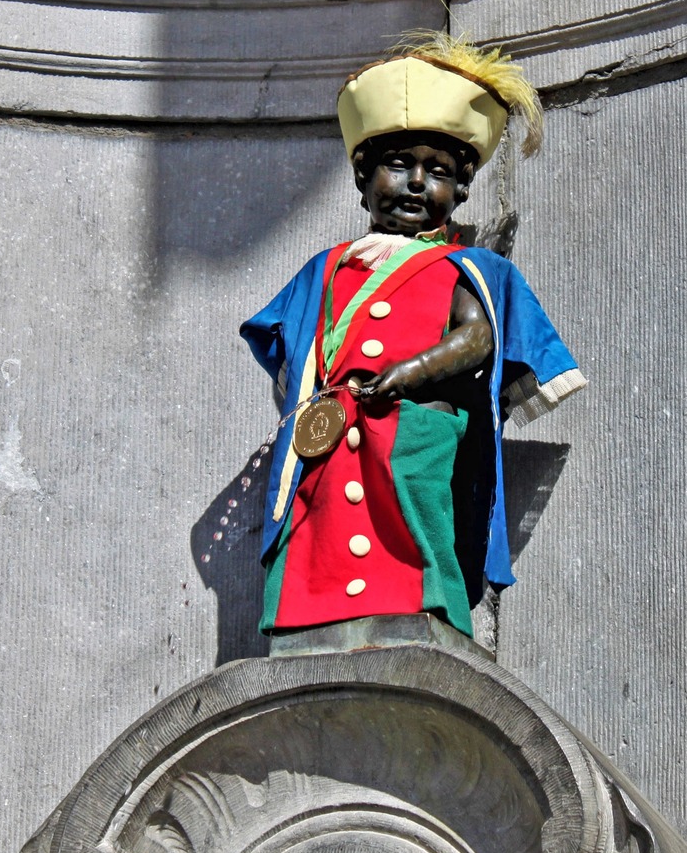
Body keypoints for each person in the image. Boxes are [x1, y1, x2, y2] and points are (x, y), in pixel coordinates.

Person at [240, 32, 585, 638]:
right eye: (399, 165)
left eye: (439, 171)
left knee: (415, 523)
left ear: (462, 190)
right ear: (363, 176)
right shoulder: (327, 267)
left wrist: (409, 373)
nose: (417, 183)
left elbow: (476, 339)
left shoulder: (466, 266)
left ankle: (425, 613)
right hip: (331, 433)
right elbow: (293, 347)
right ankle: (308, 618)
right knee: (321, 528)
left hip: (417, 427)